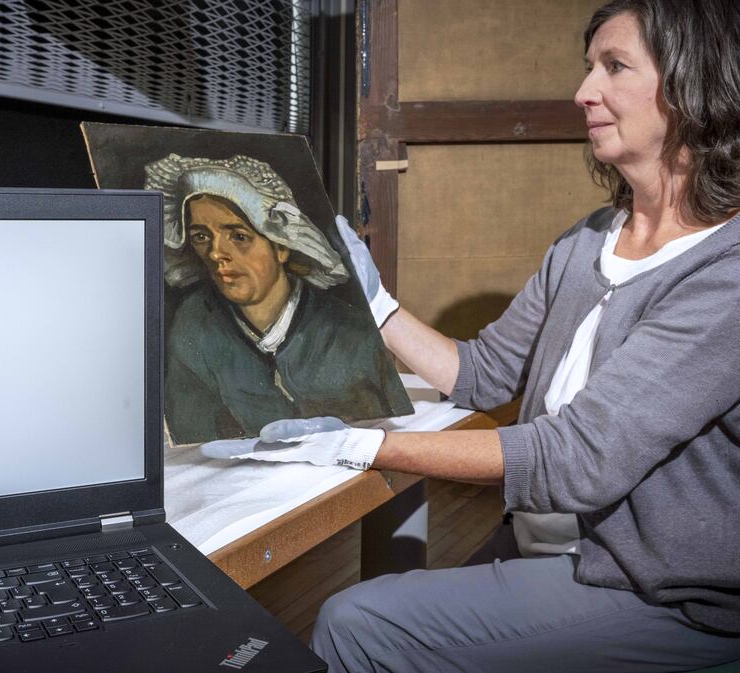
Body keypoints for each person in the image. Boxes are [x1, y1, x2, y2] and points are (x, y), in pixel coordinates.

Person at [205, 0, 740, 670]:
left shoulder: (728, 273)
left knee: (354, 621)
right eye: (587, 68)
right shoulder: (585, 243)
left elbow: (578, 455)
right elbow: (484, 372)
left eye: (614, 66)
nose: (583, 91)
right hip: (546, 546)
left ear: (693, 87)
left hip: (660, 594)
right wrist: (377, 305)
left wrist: (366, 445)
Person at [145, 153, 412, 445]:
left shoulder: (348, 332)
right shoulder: (194, 323)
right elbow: (192, 433)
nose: (215, 253)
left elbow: (386, 428)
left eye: (238, 236)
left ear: (282, 246)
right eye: (200, 237)